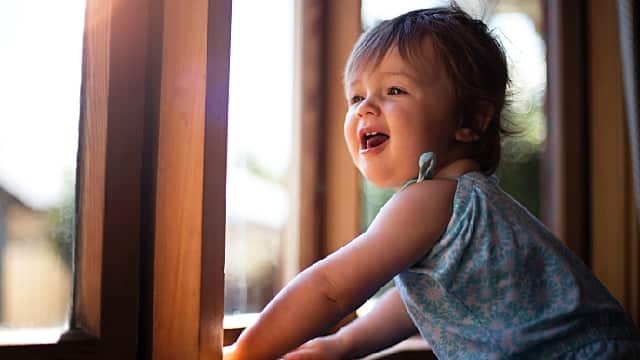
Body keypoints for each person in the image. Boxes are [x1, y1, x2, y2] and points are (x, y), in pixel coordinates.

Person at [224, 6, 640, 359]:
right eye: (356, 98)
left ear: (469, 120)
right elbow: (417, 302)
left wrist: (244, 353)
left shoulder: (433, 198)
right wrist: (341, 345)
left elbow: (330, 289)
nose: (367, 107)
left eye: (393, 90)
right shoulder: (467, 199)